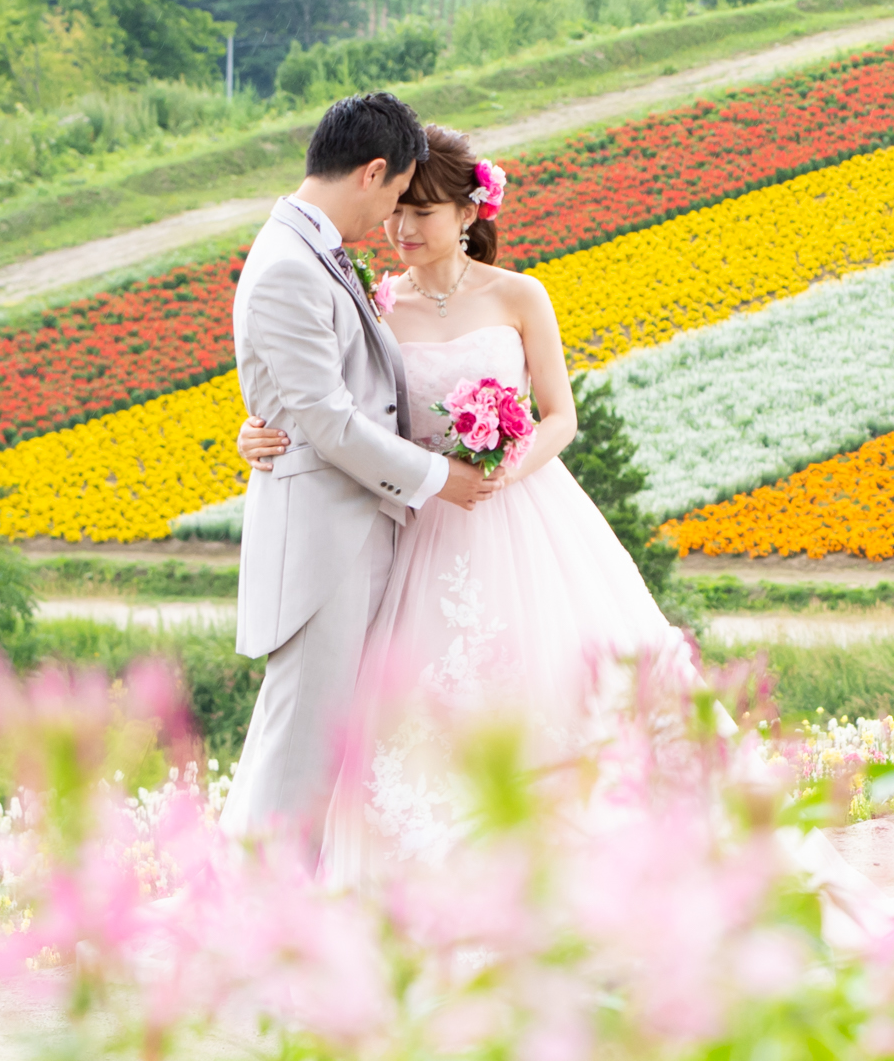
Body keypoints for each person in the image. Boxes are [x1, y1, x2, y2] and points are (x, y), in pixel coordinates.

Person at [232, 124, 691, 848]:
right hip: (419, 516)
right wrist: (253, 431)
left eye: (424, 212)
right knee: (420, 711)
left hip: (521, 510)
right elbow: (338, 402)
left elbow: (560, 415)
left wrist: (507, 469)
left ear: (470, 214)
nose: (401, 227)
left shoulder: (520, 295)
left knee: (550, 692)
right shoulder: (379, 304)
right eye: (398, 210)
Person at [220, 92, 493, 854]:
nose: (393, 223)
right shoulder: (287, 266)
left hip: (356, 534)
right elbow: (330, 420)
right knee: (296, 761)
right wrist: (441, 477)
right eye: (398, 198)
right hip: (323, 547)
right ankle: (257, 932)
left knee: (325, 753)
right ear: (373, 172)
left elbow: (332, 395)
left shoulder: (312, 251)